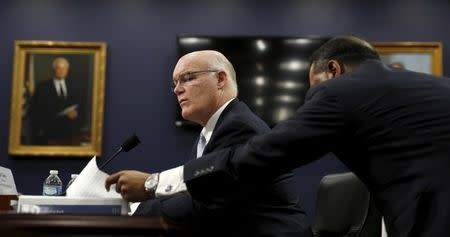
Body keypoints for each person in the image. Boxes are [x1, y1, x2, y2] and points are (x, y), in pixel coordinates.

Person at [106, 50, 311, 237]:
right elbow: (196, 195)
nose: (177, 89)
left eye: (187, 78)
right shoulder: (208, 133)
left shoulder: (240, 126)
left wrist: (135, 210)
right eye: (174, 83)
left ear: (220, 79)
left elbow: (206, 204)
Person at [29, 57, 82, 145]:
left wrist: (76, 113)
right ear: (54, 70)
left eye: (64, 68)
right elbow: (35, 111)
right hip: (49, 133)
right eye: (58, 68)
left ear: (67, 70)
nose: (61, 71)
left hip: (71, 133)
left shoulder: (75, 86)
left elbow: (80, 107)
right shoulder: (42, 87)